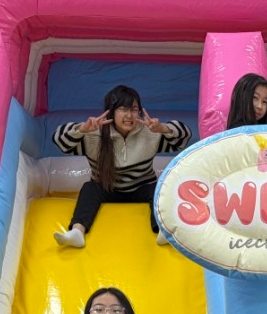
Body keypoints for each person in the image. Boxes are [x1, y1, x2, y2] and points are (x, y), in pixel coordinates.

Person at [51, 84, 191, 248]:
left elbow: (184, 137)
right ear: (111, 112)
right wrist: (82, 129)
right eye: (123, 109)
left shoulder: (150, 133)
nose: (129, 115)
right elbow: (59, 141)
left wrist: (163, 128)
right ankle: (77, 232)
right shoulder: (93, 134)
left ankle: (163, 230)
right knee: (89, 188)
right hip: (106, 188)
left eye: (134, 109)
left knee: (158, 188)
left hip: (140, 188)